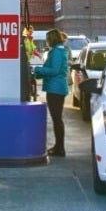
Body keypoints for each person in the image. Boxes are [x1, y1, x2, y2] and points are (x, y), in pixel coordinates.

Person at [33, 29, 69, 157]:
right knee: (57, 119)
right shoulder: (59, 51)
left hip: (55, 89)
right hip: (57, 88)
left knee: (57, 119)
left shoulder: (57, 52)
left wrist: (37, 69)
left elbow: (54, 70)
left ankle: (60, 148)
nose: (47, 41)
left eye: (48, 39)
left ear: (52, 40)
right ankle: (58, 147)